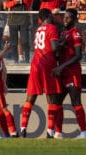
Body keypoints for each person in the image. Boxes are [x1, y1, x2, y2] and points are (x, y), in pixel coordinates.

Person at [19, 9, 63, 138]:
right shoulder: (52, 28)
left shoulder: (39, 29)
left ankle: (23, 127)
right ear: (49, 16)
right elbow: (54, 47)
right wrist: (63, 43)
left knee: (31, 97)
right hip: (47, 63)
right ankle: (50, 131)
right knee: (51, 97)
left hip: (35, 63)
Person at [52, 9, 86, 139]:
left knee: (76, 102)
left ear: (74, 19)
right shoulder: (63, 33)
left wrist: (61, 66)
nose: (65, 20)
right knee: (56, 101)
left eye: (68, 18)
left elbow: (78, 55)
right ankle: (58, 133)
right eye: (64, 17)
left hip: (72, 73)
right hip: (62, 73)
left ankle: (83, 133)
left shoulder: (75, 33)